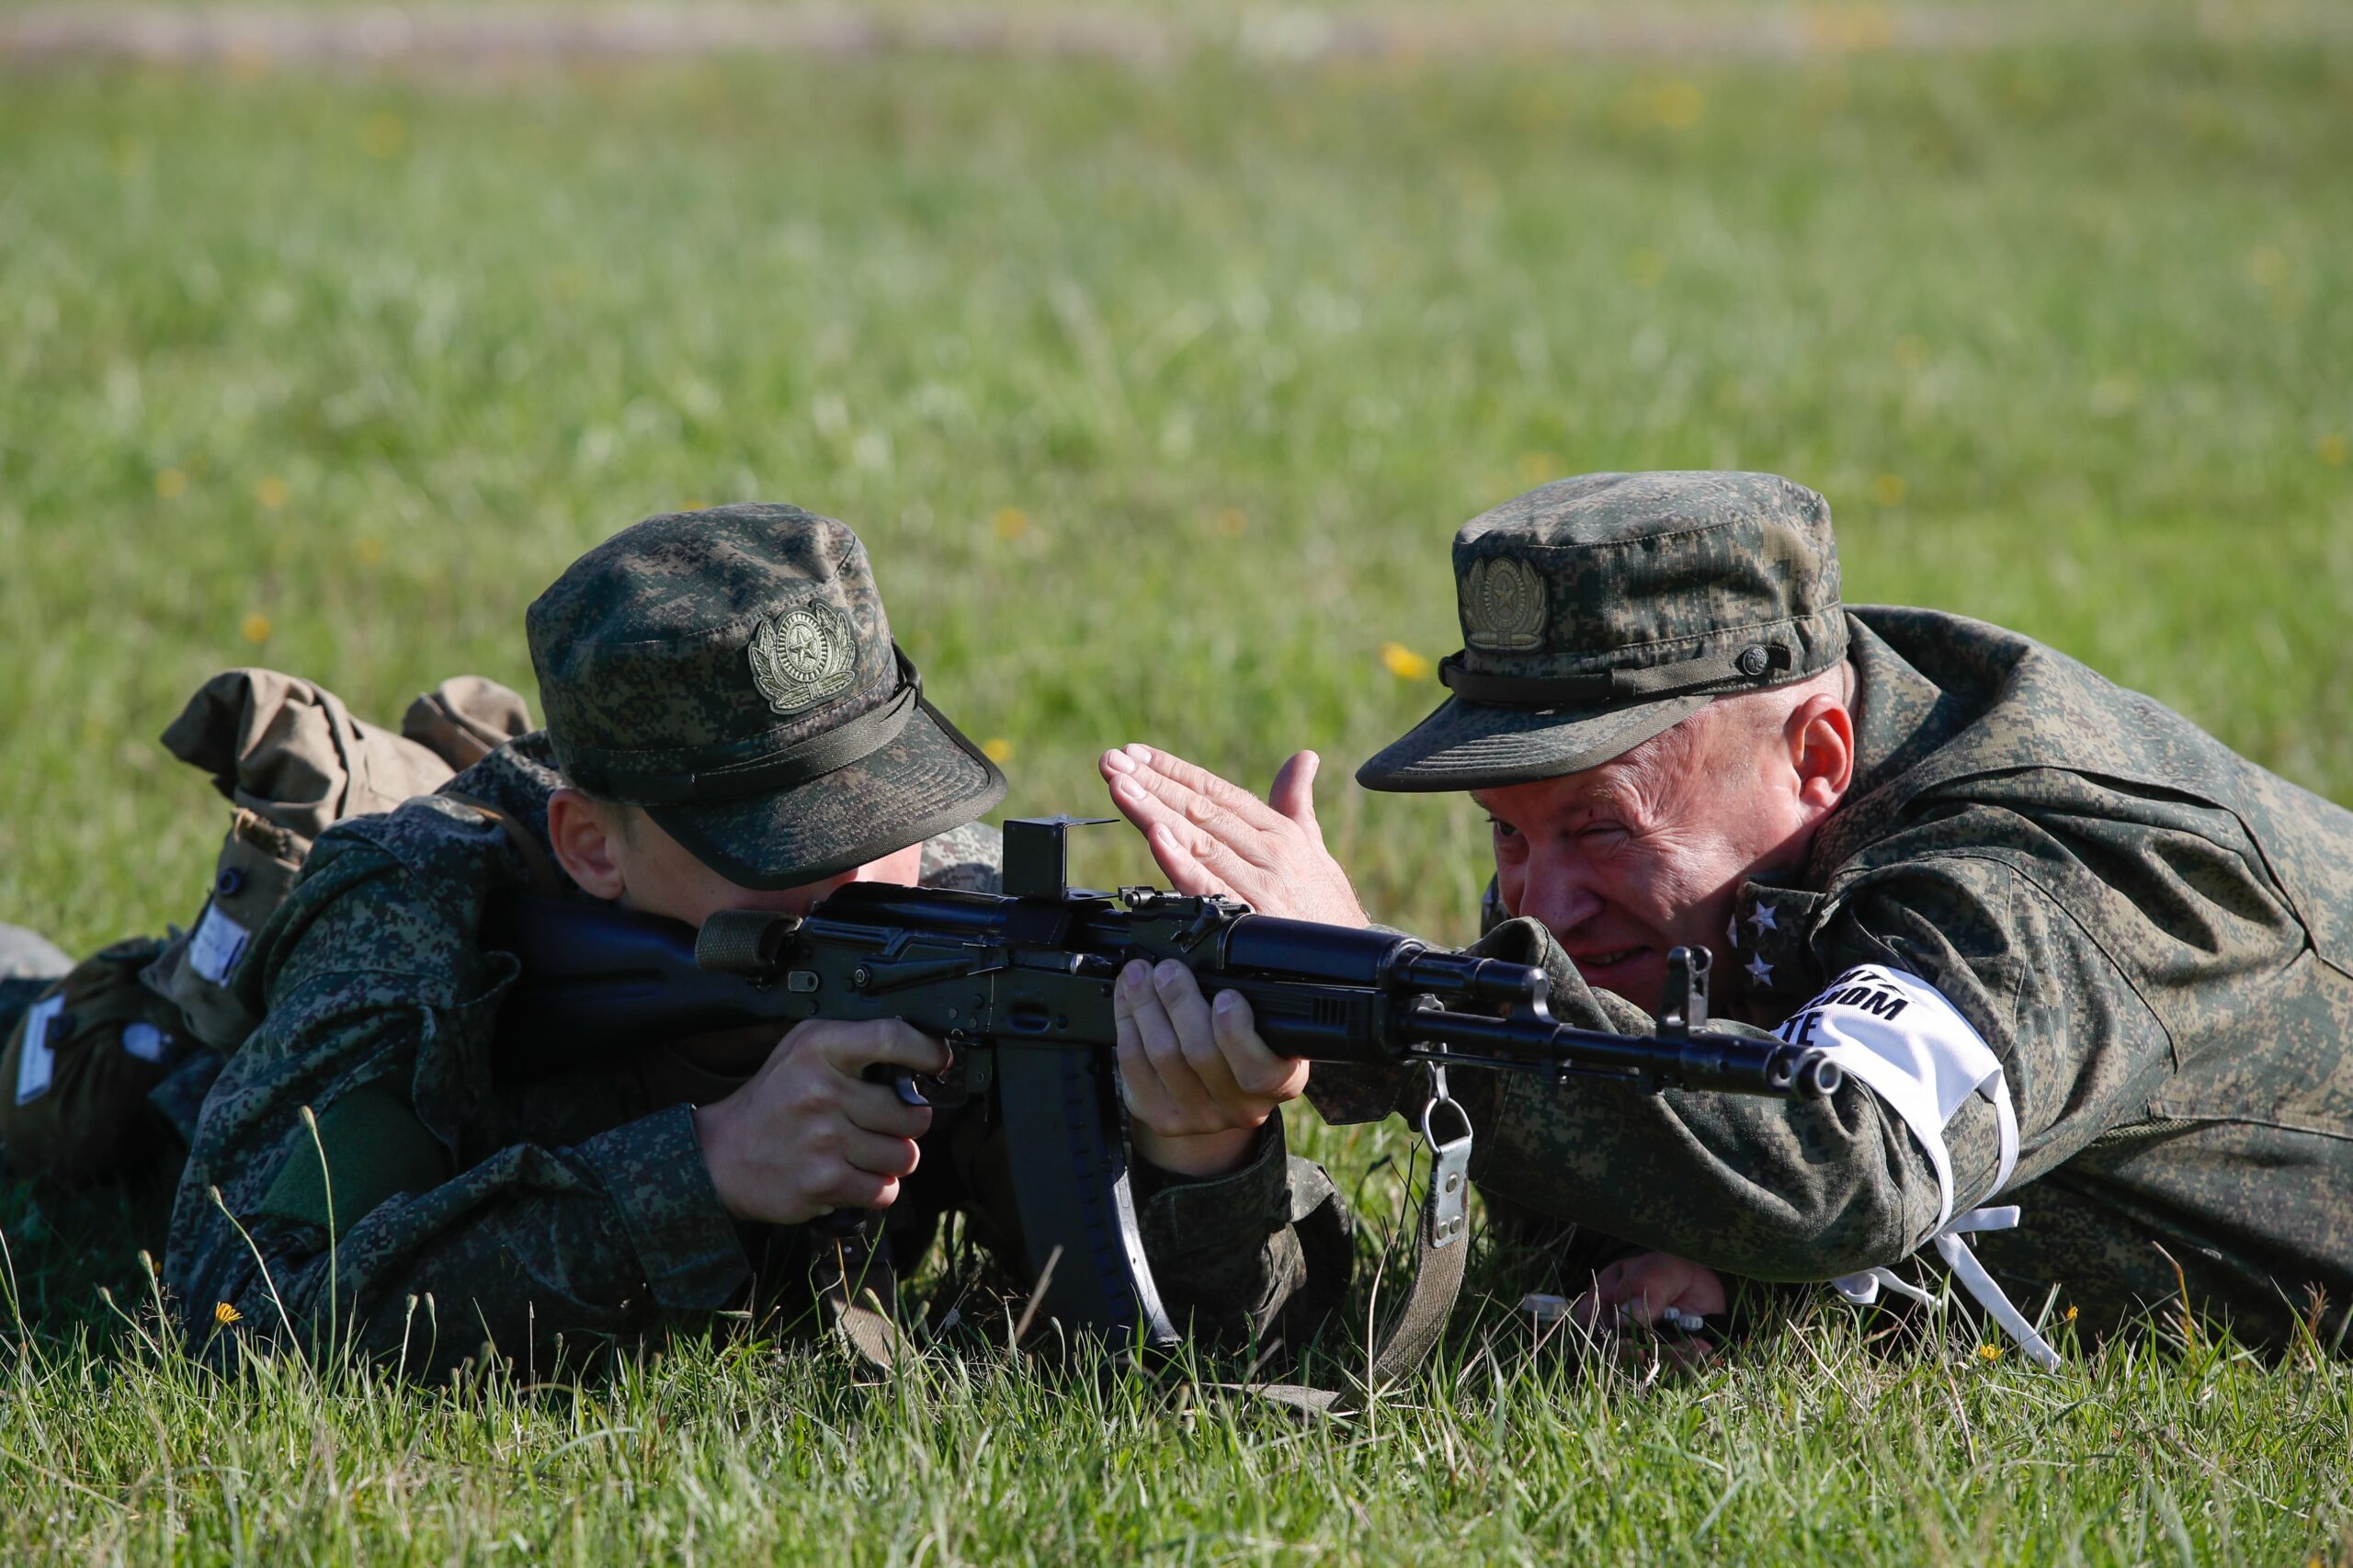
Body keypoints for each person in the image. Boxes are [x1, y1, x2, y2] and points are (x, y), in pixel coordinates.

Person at [1099, 469, 2353, 1360]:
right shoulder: (1622, 894)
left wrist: (1397, 1002)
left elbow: (1843, 1163)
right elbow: (1587, 1213)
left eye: (1600, 823)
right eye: (1506, 829)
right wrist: (1210, 1148)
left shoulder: (2037, 872)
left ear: (1818, 753)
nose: (1539, 901)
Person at [165, 503, 1342, 1375]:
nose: (862, 876)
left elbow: (1210, 1356)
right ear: (589, 845)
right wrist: (703, 1167)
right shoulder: (417, 914)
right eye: (780, 843)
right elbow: (234, 1313)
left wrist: (1201, 1157)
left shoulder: (972, 934)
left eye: (883, 813)